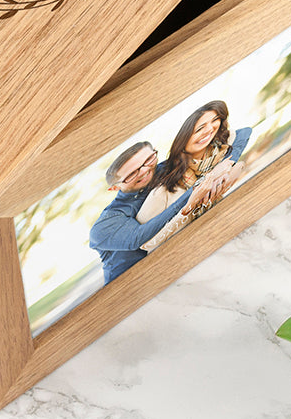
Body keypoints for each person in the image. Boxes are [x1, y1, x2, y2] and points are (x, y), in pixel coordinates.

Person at [89, 141, 215, 284]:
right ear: (115, 188)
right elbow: (138, 238)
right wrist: (195, 192)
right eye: (132, 174)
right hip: (130, 285)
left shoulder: (162, 169)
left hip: (176, 263)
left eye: (148, 160)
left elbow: (234, 141)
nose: (144, 171)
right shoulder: (106, 223)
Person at [135, 101, 252, 250]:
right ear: (183, 140)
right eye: (199, 128)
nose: (209, 129)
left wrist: (236, 167)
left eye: (214, 120)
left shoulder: (219, 154)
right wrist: (187, 209)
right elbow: (145, 245)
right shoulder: (162, 193)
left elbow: (244, 132)